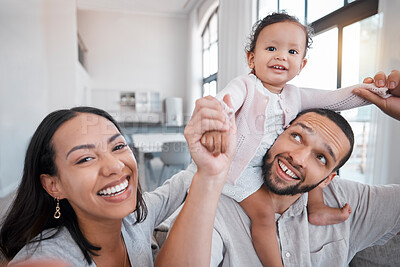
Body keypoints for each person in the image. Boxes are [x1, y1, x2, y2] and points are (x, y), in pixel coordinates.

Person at [200, 12, 388, 267]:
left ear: (301, 65)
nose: (281, 56)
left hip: (265, 165)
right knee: (264, 216)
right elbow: (225, 102)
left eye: (291, 52)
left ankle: (317, 208)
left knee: (308, 165)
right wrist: (215, 120)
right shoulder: (245, 85)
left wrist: (379, 94)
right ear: (251, 58)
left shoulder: (294, 95)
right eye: (271, 48)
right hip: (239, 170)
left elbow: (334, 99)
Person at [0, 96, 237, 266]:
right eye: (85, 158)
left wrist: (210, 163)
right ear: (54, 185)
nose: (115, 166)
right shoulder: (47, 256)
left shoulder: (135, 219)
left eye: (119, 146)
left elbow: (180, 184)